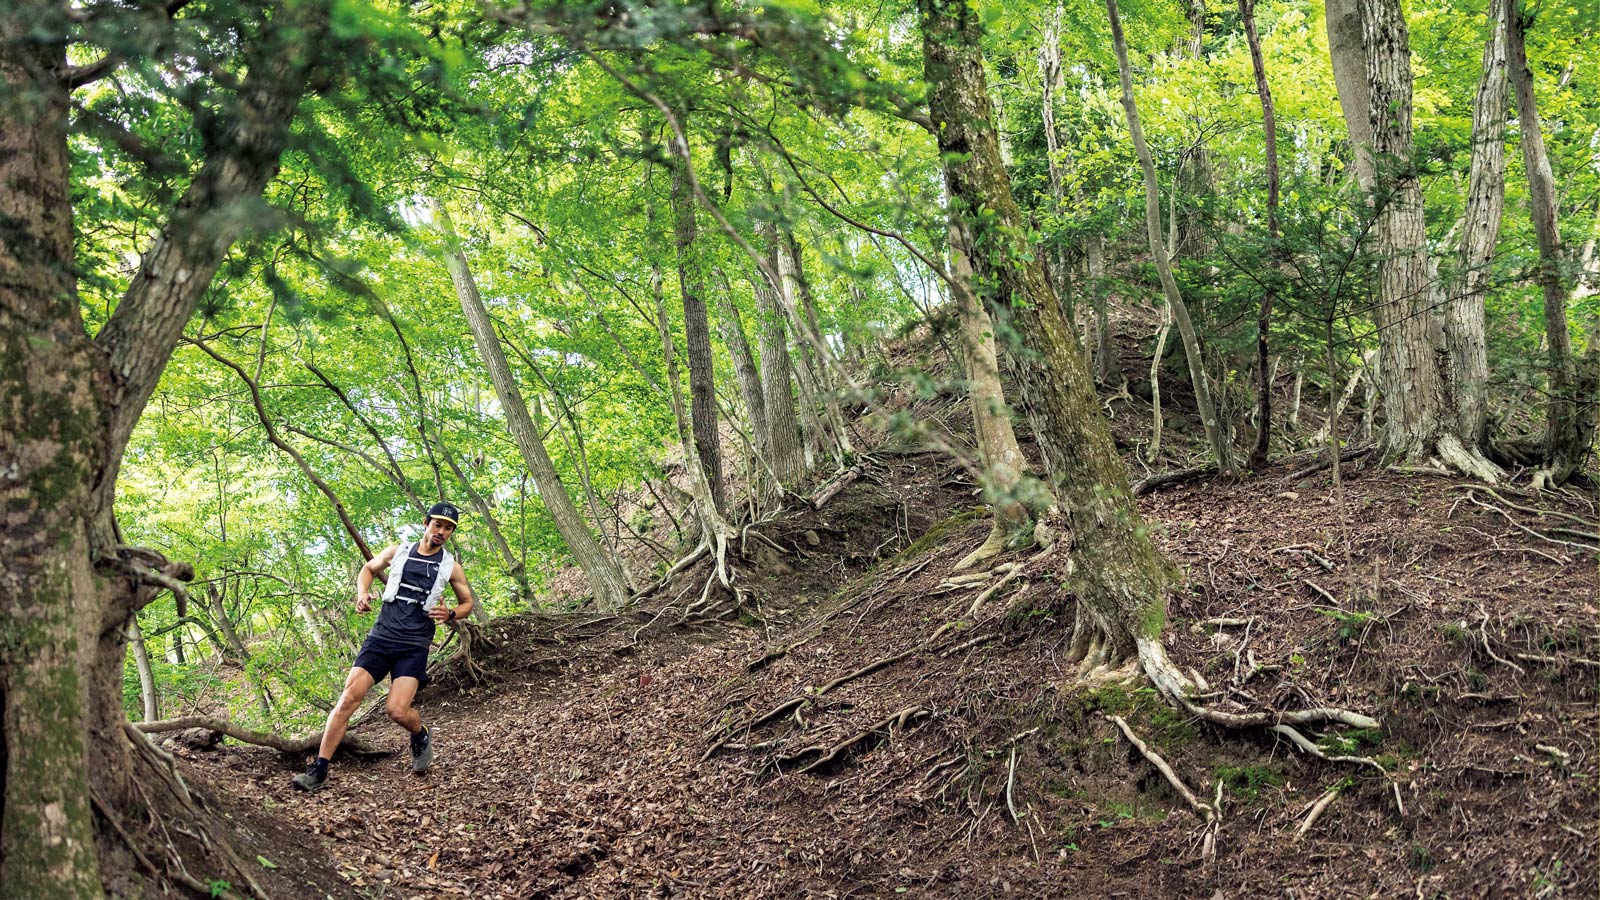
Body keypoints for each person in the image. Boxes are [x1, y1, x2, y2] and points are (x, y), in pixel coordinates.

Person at [292, 502, 476, 792]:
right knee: (348, 699)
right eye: (438, 524)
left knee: (397, 711)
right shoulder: (398, 551)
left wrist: (452, 613)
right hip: (381, 637)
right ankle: (319, 769)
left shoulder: (450, 566)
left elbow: (468, 603)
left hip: (414, 644)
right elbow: (368, 568)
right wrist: (362, 593)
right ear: (426, 523)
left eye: (449, 528)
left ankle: (420, 733)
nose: (442, 531)